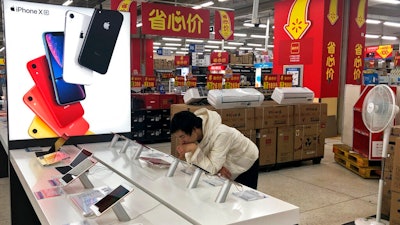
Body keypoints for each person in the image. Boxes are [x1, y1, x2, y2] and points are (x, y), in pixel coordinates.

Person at [170, 108, 260, 189]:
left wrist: (194, 149)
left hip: (245, 159)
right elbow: (197, 164)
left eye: (182, 137)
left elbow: (212, 168)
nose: (181, 142)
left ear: (194, 130)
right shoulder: (194, 133)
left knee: (243, 195)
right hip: (224, 159)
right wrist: (216, 168)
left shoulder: (221, 134)